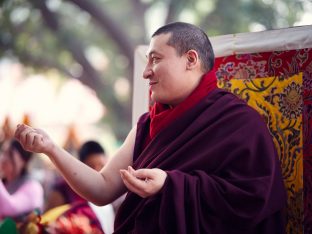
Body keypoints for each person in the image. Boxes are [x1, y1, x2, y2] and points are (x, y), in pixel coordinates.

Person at [14, 22, 287, 233]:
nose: (146, 72)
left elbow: (253, 201)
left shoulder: (239, 123)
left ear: (191, 60)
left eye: (155, 59)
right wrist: (51, 149)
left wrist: (170, 185)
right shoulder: (148, 124)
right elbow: (102, 188)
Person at [0, 139, 44, 221]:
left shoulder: (33, 187)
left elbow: (9, 208)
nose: (3, 158)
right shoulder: (5, 183)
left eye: (9, 154)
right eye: (3, 152)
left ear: (24, 161)